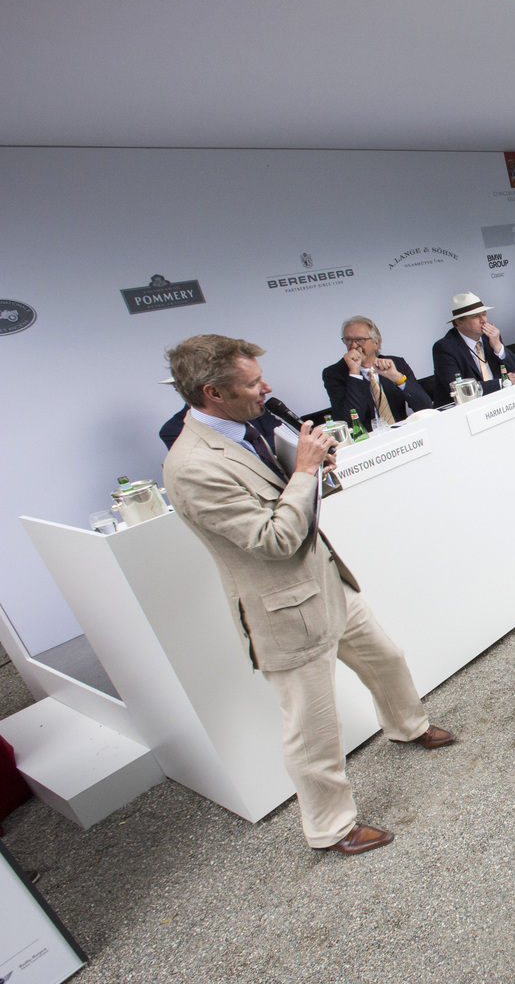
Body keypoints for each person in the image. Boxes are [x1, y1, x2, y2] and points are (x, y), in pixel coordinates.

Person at [162, 334, 454, 856]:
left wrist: (320, 470)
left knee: (386, 659)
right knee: (312, 731)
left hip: (327, 583)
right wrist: (303, 471)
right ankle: (330, 827)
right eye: (252, 383)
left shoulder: (251, 423)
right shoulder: (192, 467)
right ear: (212, 393)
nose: (266, 388)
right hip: (284, 610)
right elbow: (273, 541)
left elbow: (303, 495)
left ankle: (408, 726)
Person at [323, 316, 433, 429]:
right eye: (348, 340)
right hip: (366, 440)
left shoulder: (397, 363)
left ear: (376, 342)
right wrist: (354, 374)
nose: (353, 346)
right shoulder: (333, 374)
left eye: (360, 340)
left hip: (401, 433)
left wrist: (397, 378)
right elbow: (351, 422)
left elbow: (425, 407)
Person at [431, 293, 515, 404]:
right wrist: (502, 382)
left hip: (499, 401)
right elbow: (460, 390)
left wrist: (498, 347)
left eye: (484, 314)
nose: (483, 320)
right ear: (459, 321)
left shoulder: (490, 338)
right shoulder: (444, 348)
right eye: (475, 316)